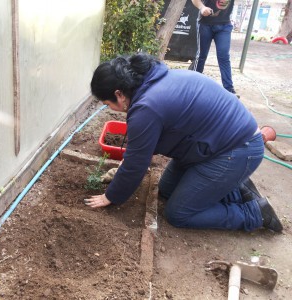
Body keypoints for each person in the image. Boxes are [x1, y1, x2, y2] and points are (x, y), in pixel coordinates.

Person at [84, 52, 283, 233]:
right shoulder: (154, 82)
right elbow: (141, 150)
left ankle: (254, 213)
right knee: (166, 190)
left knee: (178, 214)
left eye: (108, 104)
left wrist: (111, 196)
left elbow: (137, 164)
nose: (111, 109)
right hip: (214, 144)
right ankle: (235, 189)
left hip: (237, 149)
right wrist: (123, 168)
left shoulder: (146, 108)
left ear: (119, 94)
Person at [190, 0, 237, 95]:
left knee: (224, 57)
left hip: (224, 25)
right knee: (201, 56)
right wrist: (202, 7)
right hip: (204, 24)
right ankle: (193, 85)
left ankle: (229, 90)